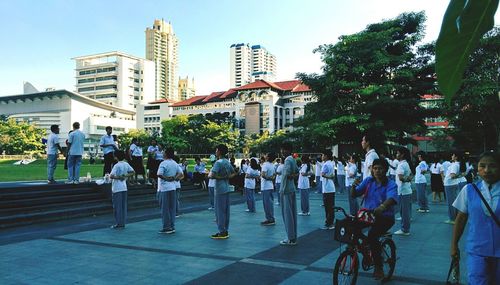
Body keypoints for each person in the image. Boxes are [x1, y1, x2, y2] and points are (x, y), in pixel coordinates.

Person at [451, 151, 499, 285]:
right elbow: (460, 219)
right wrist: (454, 245)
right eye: (482, 166)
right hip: (477, 251)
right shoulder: (469, 190)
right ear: (477, 168)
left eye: (492, 166)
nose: (487, 170)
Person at [351, 158, 398, 280]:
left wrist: (382, 207)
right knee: (352, 227)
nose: (377, 171)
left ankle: (378, 267)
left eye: (380, 168)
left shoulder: (391, 184)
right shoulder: (368, 181)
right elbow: (355, 193)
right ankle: (365, 248)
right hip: (368, 215)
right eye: (375, 168)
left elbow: (391, 198)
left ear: (386, 170)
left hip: (385, 217)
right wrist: (353, 186)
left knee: (372, 235)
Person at [209, 144, 236, 239]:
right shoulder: (227, 162)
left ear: (219, 152)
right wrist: (226, 177)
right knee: (226, 210)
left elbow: (212, 175)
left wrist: (219, 177)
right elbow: (233, 173)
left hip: (219, 189)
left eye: (216, 150)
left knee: (219, 211)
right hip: (226, 187)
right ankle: (225, 229)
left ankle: (222, 231)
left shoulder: (218, 163)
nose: (215, 152)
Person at [157, 147, 183, 234]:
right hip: (173, 188)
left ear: (166, 154)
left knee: (165, 208)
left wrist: (167, 179)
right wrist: (174, 178)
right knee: (172, 208)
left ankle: (166, 227)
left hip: (165, 188)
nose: (162, 153)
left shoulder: (163, 163)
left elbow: (159, 174)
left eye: (164, 152)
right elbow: (181, 173)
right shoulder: (174, 163)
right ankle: (172, 226)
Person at [279, 142, 299, 245]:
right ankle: (293, 236)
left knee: (287, 214)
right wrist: (292, 176)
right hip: (291, 189)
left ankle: (290, 238)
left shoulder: (287, 160)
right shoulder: (293, 159)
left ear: (288, 150)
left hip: (286, 190)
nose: (282, 151)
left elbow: (286, 174)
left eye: (283, 149)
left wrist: (282, 189)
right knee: (292, 213)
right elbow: (296, 172)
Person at [109, 150, 134, 229]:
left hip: (117, 188)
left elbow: (111, 176)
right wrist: (125, 176)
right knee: (123, 206)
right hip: (124, 187)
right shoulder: (126, 164)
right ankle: (122, 222)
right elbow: (133, 172)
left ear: (116, 157)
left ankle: (118, 223)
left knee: (117, 206)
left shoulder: (116, 165)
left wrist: (119, 177)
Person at [394, 147, 413, 236]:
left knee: (404, 211)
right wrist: (409, 179)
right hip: (406, 190)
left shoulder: (402, 165)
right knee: (406, 210)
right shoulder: (405, 164)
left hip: (403, 191)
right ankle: (405, 228)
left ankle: (405, 229)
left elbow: (401, 177)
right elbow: (410, 175)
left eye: (398, 153)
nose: (396, 154)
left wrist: (407, 179)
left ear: (402, 155)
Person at [444, 152, 461, 225]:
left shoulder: (454, 165)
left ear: (456, 157)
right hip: (452, 184)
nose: (452, 156)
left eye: (453, 155)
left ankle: (452, 218)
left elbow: (452, 175)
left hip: (450, 184)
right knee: (453, 201)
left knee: (451, 202)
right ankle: (455, 217)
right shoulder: (456, 164)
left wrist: (449, 176)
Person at [321, 150, 336, 230]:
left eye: (323, 155)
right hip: (331, 187)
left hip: (327, 188)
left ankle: (329, 223)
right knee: (331, 207)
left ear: (326, 156)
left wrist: (327, 176)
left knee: (328, 207)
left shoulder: (326, 164)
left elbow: (322, 174)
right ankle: (330, 222)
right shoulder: (331, 163)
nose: (322, 156)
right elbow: (332, 175)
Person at [260, 153, 276, 225]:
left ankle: (269, 219)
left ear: (268, 157)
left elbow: (263, 175)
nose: (265, 155)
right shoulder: (272, 165)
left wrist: (268, 178)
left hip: (265, 186)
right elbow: (274, 175)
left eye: (266, 155)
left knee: (266, 204)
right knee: (270, 203)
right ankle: (271, 217)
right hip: (270, 186)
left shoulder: (265, 165)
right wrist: (271, 178)